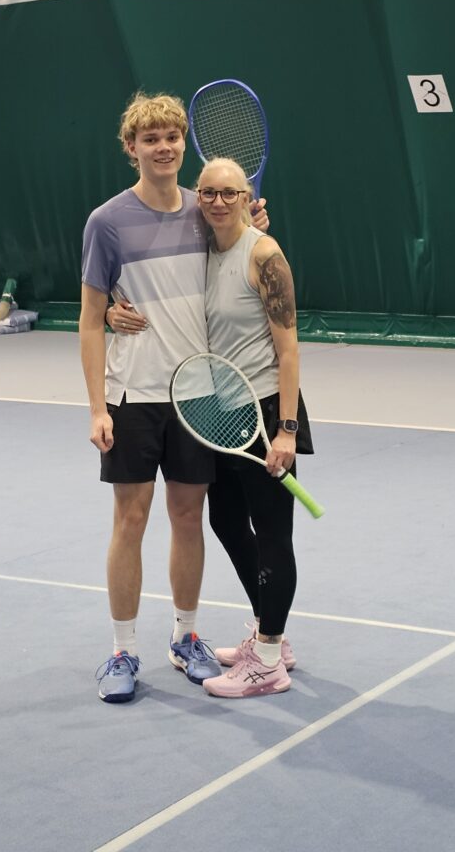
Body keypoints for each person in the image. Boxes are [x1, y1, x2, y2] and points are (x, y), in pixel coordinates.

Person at [79, 93, 268, 704]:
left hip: (196, 396)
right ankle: (122, 650)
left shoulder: (204, 210)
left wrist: (254, 224)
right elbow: (89, 319)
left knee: (188, 518)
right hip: (132, 396)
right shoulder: (106, 221)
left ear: (184, 144)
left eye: (172, 137)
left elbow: (242, 248)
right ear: (131, 147)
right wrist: (98, 407)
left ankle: (186, 637)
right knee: (130, 520)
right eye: (150, 139)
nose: (163, 148)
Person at [194, 157, 314, 698]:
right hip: (219, 411)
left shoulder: (263, 254)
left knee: (272, 533)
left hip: (265, 410)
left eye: (229, 193)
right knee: (224, 520)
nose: (218, 202)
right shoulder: (202, 251)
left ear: (247, 197)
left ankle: (266, 661)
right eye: (208, 193)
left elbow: (289, 349)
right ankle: (272, 636)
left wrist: (286, 430)